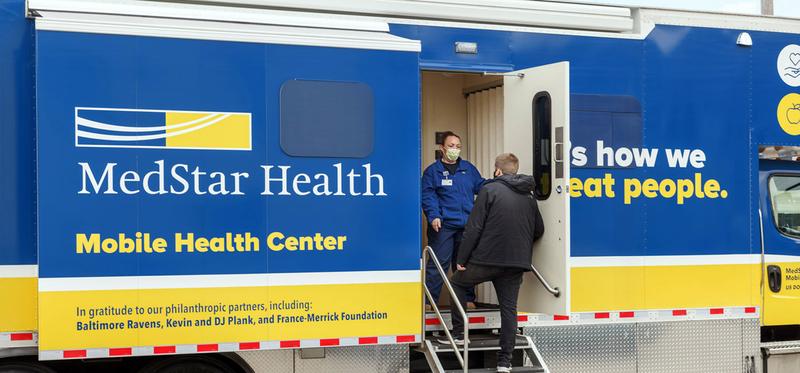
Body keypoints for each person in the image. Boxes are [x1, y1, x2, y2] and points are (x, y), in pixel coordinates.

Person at [446, 153, 545, 373]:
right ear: (515, 170)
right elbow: (539, 230)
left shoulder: (489, 190)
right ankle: (504, 362)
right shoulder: (529, 196)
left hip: (487, 259)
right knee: (509, 309)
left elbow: (474, 228)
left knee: (457, 283)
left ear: (497, 171)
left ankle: (460, 334)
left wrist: (461, 258)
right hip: (516, 262)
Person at [421, 131, 484, 309]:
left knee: (464, 265)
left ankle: (468, 299)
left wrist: (498, 181)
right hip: (443, 226)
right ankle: (429, 302)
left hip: (466, 226)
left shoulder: (468, 168)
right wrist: (433, 216)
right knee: (438, 264)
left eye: (457, 146)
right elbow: (428, 196)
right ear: (442, 148)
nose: (454, 150)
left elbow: (480, 186)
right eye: (451, 146)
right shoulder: (433, 172)